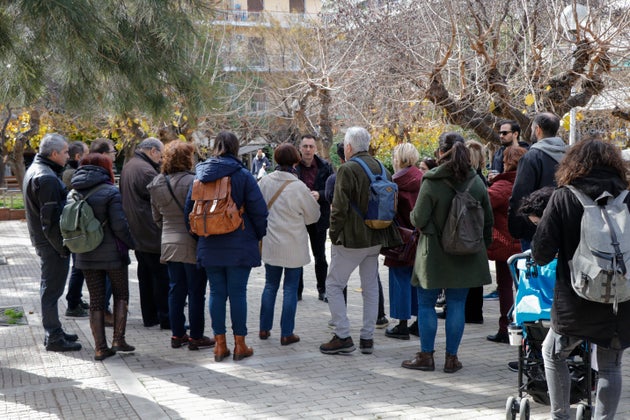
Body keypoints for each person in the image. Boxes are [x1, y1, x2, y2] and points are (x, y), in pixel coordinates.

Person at [532, 138, 630, 419]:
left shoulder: (564, 197)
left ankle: (560, 415)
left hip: (575, 299)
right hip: (619, 299)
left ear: (573, 164)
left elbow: (541, 253)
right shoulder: (627, 198)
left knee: (553, 352)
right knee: (611, 365)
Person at [402, 132, 493, 373]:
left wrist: (416, 219)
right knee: (456, 305)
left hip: (433, 252)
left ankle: (426, 356)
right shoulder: (476, 182)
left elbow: (418, 218)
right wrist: (481, 248)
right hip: (466, 252)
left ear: (440, 153)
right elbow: (487, 222)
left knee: (426, 304)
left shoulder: (431, 181)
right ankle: (451, 359)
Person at [184, 131, 267, 362]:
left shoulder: (199, 176)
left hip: (209, 243)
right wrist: (257, 234)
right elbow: (259, 211)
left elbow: (187, 213)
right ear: (236, 147)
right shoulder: (242, 175)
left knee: (217, 293)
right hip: (240, 243)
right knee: (238, 294)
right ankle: (240, 345)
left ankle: (219, 346)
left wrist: (200, 236)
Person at [319, 127, 401, 356]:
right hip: (377, 237)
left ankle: (343, 336)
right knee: (371, 286)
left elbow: (340, 208)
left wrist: (333, 235)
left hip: (352, 240)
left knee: (334, 285)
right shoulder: (382, 168)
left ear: (348, 147)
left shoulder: (347, 168)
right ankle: (367, 338)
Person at [148, 140, 215, 351]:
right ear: (187, 158)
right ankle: (196, 336)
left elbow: (156, 218)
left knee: (175, 290)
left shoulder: (156, 183)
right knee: (196, 292)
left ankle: (177, 335)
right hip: (192, 243)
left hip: (168, 242)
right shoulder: (194, 182)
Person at [71, 153, 136, 360]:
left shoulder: (73, 192)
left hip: (85, 253)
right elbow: (120, 226)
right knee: (121, 294)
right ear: (106, 168)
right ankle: (118, 339)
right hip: (113, 256)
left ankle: (100, 348)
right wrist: (133, 243)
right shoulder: (110, 191)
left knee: (96, 300)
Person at [23, 133, 81, 352]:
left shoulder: (39, 170)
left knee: (50, 289)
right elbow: (49, 221)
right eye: (66, 152)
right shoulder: (45, 177)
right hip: (51, 244)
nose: (68, 155)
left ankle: (54, 330)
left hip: (46, 242)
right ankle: (54, 336)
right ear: (54, 153)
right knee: (51, 290)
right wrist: (62, 248)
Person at [258, 143, 320, 345]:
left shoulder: (264, 182)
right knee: (290, 289)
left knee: (270, 285)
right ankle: (287, 333)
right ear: (295, 161)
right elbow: (313, 216)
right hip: (293, 244)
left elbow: (257, 210)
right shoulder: (299, 187)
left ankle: (264, 329)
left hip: (271, 242)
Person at [120, 137, 170, 329]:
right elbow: (162, 200)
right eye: (161, 154)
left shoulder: (131, 165)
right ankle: (165, 317)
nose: (161, 159)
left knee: (146, 277)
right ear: (152, 151)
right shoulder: (146, 170)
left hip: (138, 232)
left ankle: (150, 317)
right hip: (151, 233)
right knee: (160, 278)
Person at [485, 146, 527, 344]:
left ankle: (506, 327)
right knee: (524, 287)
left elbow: (484, 202)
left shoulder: (504, 185)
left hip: (506, 244)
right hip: (523, 243)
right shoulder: (528, 181)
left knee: (505, 288)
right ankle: (524, 325)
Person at [508, 112, 567, 250]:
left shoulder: (531, 158)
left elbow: (520, 195)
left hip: (536, 230)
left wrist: (517, 228)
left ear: (538, 129)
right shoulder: (570, 156)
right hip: (564, 227)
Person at [384, 143, 422, 340]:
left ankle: (401, 324)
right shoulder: (423, 178)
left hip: (400, 236)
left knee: (399, 280)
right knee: (417, 281)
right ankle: (419, 322)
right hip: (420, 236)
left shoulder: (394, 181)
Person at [296, 134, 334, 302]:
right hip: (297, 217)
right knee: (297, 256)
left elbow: (334, 192)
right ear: (300, 148)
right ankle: (297, 291)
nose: (308, 150)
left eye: (311, 146)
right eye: (305, 146)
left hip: (319, 217)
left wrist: (320, 194)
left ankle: (323, 290)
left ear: (316, 149)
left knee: (320, 256)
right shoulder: (293, 167)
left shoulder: (325, 167)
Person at [89, 137, 118, 326]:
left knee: (96, 289)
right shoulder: (105, 184)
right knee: (112, 286)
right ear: (105, 155)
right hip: (106, 243)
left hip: (88, 243)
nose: (116, 155)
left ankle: (99, 322)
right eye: (113, 152)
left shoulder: (81, 180)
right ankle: (109, 321)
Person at [62, 140, 90, 318]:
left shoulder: (68, 172)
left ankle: (76, 298)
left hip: (72, 225)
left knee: (78, 267)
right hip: (74, 227)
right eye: (87, 154)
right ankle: (72, 303)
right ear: (79, 156)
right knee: (78, 267)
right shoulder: (73, 174)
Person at [464, 140, 487, 325]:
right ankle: (474, 313)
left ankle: (470, 312)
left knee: (468, 276)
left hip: (467, 231)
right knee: (475, 276)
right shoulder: (481, 180)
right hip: (477, 232)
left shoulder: (472, 180)